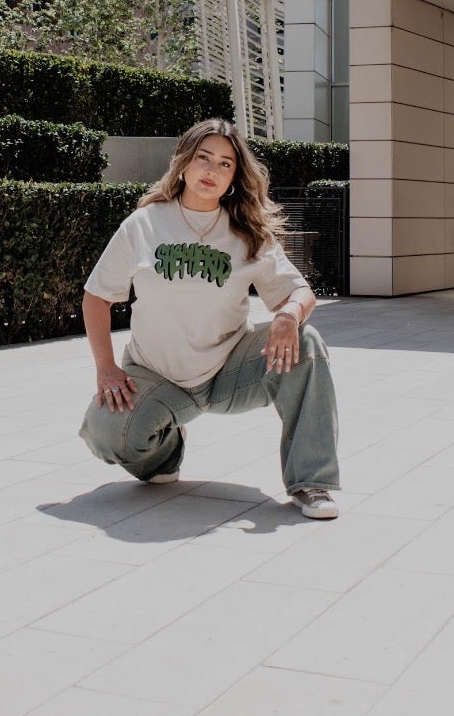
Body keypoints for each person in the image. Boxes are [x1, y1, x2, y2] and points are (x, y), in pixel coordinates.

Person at [79, 118, 340, 519]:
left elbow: (300, 291)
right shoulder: (145, 224)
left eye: (225, 163)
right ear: (184, 162)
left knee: (306, 344)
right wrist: (106, 367)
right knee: (106, 432)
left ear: (234, 177)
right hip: (156, 374)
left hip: (229, 372)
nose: (212, 170)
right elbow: (96, 296)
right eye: (204, 157)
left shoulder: (247, 231)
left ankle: (311, 480)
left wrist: (289, 314)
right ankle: (166, 451)